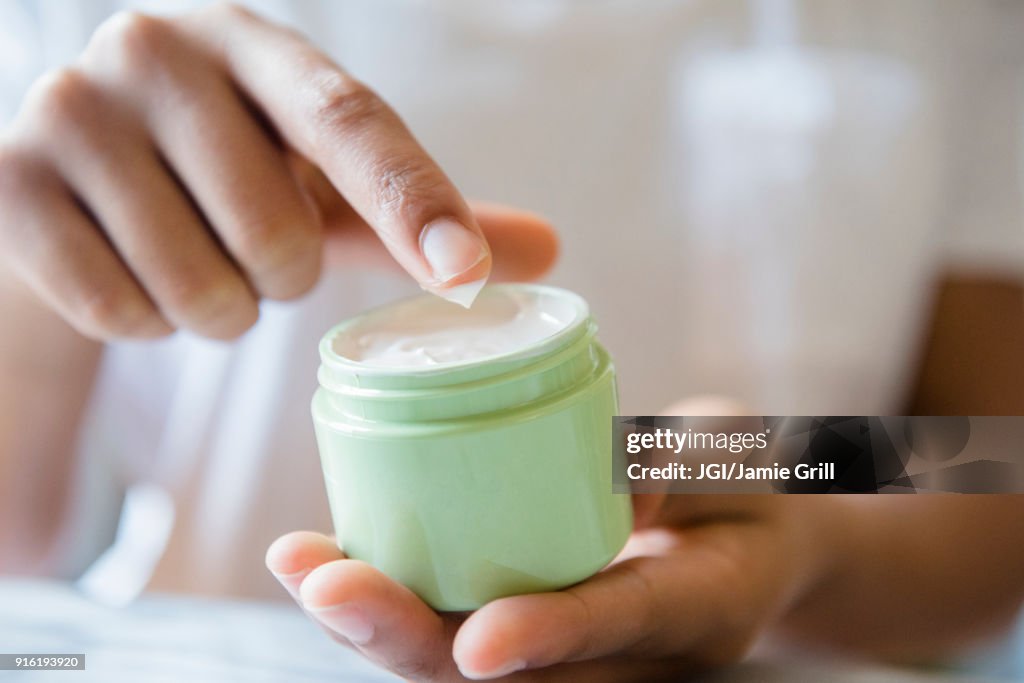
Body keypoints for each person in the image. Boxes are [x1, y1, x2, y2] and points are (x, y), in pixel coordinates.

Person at [1, 2, 1023, 681]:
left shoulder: (970, 23)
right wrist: (40, 268)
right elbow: (16, 534)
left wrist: (797, 513)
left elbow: (984, 458)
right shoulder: (105, 33)